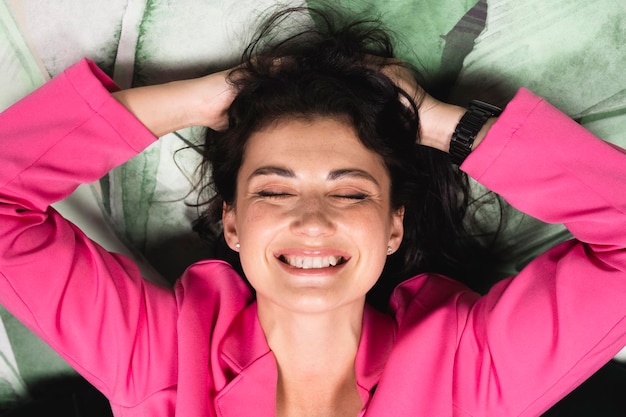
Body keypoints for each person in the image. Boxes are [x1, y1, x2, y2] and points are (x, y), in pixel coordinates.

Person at [1, 5, 625, 417]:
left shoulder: (471, 372)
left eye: (351, 192)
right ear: (234, 222)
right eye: (274, 190)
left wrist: (438, 124)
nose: (313, 221)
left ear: (394, 226)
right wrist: (204, 97)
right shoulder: (159, 358)